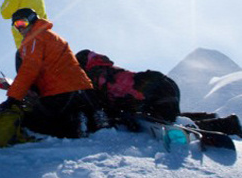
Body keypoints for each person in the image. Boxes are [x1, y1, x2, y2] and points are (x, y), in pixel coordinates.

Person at [75, 49, 242, 136]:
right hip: (161, 85)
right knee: (171, 117)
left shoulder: (94, 76)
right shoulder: (107, 70)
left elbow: (103, 101)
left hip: (157, 91)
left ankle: (227, 125)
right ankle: (210, 116)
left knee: (171, 126)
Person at [0, 8, 103, 139]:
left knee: (32, 124)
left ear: (32, 20)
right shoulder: (51, 35)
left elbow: (29, 69)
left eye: (22, 23)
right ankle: (89, 117)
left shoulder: (34, 38)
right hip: (84, 91)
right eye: (16, 25)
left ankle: (75, 123)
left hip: (61, 93)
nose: (20, 28)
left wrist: (13, 98)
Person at [0, 0, 48, 71]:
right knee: (45, 66)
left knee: (28, 68)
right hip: (44, 38)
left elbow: (5, 13)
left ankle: (27, 85)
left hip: (24, 40)